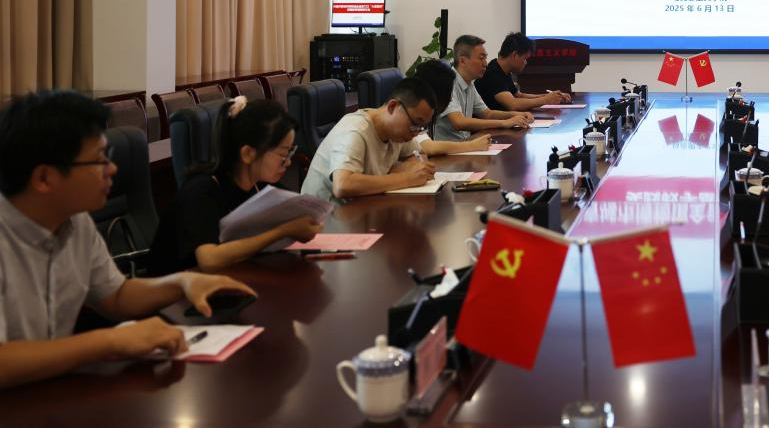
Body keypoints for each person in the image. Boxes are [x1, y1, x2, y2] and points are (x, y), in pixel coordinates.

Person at [0, 91, 254, 389]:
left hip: (49, 392)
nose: (113, 169)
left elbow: (116, 296)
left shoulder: (74, 221)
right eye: (99, 160)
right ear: (44, 178)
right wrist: (111, 341)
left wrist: (182, 283)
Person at [147, 97, 323, 275]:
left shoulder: (259, 185)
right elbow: (209, 260)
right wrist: (283, 231)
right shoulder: (201, 191)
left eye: (290, 152)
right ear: (248, 154)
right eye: (283, 154)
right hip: (177, 288)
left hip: (230, 279)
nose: (288, 162)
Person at [300, 77, 440, 202]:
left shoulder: (399, 132)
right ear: (392, 107)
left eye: (422, 127)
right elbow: (342, 185)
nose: (416, 133)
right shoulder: (355, 130)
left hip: (361, 208)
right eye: (415, 123)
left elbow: (419, 155)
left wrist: (405, 169)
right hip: (324, 216)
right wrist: (406, 178)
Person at [433, 35, 533, 141]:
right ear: (462, 61)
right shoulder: (448, 83)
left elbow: (487, 114)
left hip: (466, 144)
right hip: (449, 149)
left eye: (485, 58)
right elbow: (459, 122)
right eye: (481, 58)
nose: (485, 63)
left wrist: (517, 115)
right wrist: (505, 123)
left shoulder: (469, 83)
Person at [410, 58, 496, 156]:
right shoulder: (413, 115)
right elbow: (429, 147)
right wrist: (472, 145)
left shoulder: (426, 116)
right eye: (449, 95)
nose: (450, 99)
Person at [475, 32, 572, 112]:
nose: (525, 63)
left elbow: (519, 95)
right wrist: (545, 100)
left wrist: (550, 96)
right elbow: (513, 104)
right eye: (525, 58)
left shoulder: (502, 69)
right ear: (515, 55)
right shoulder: (493, 73)